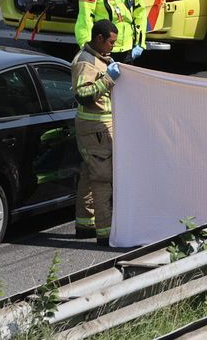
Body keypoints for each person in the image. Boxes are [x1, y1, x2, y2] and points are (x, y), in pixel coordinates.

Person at [71, 19, 123, 247]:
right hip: (96, 128)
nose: (113, 46)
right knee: (103, 179)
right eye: (111, 42)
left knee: (88, 173)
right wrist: (109, 79)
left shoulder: (98, 58)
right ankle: (106, 232)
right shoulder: (86, 62)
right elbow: (83, 95)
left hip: (95, 128)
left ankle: (85, 224)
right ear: (99, 38)